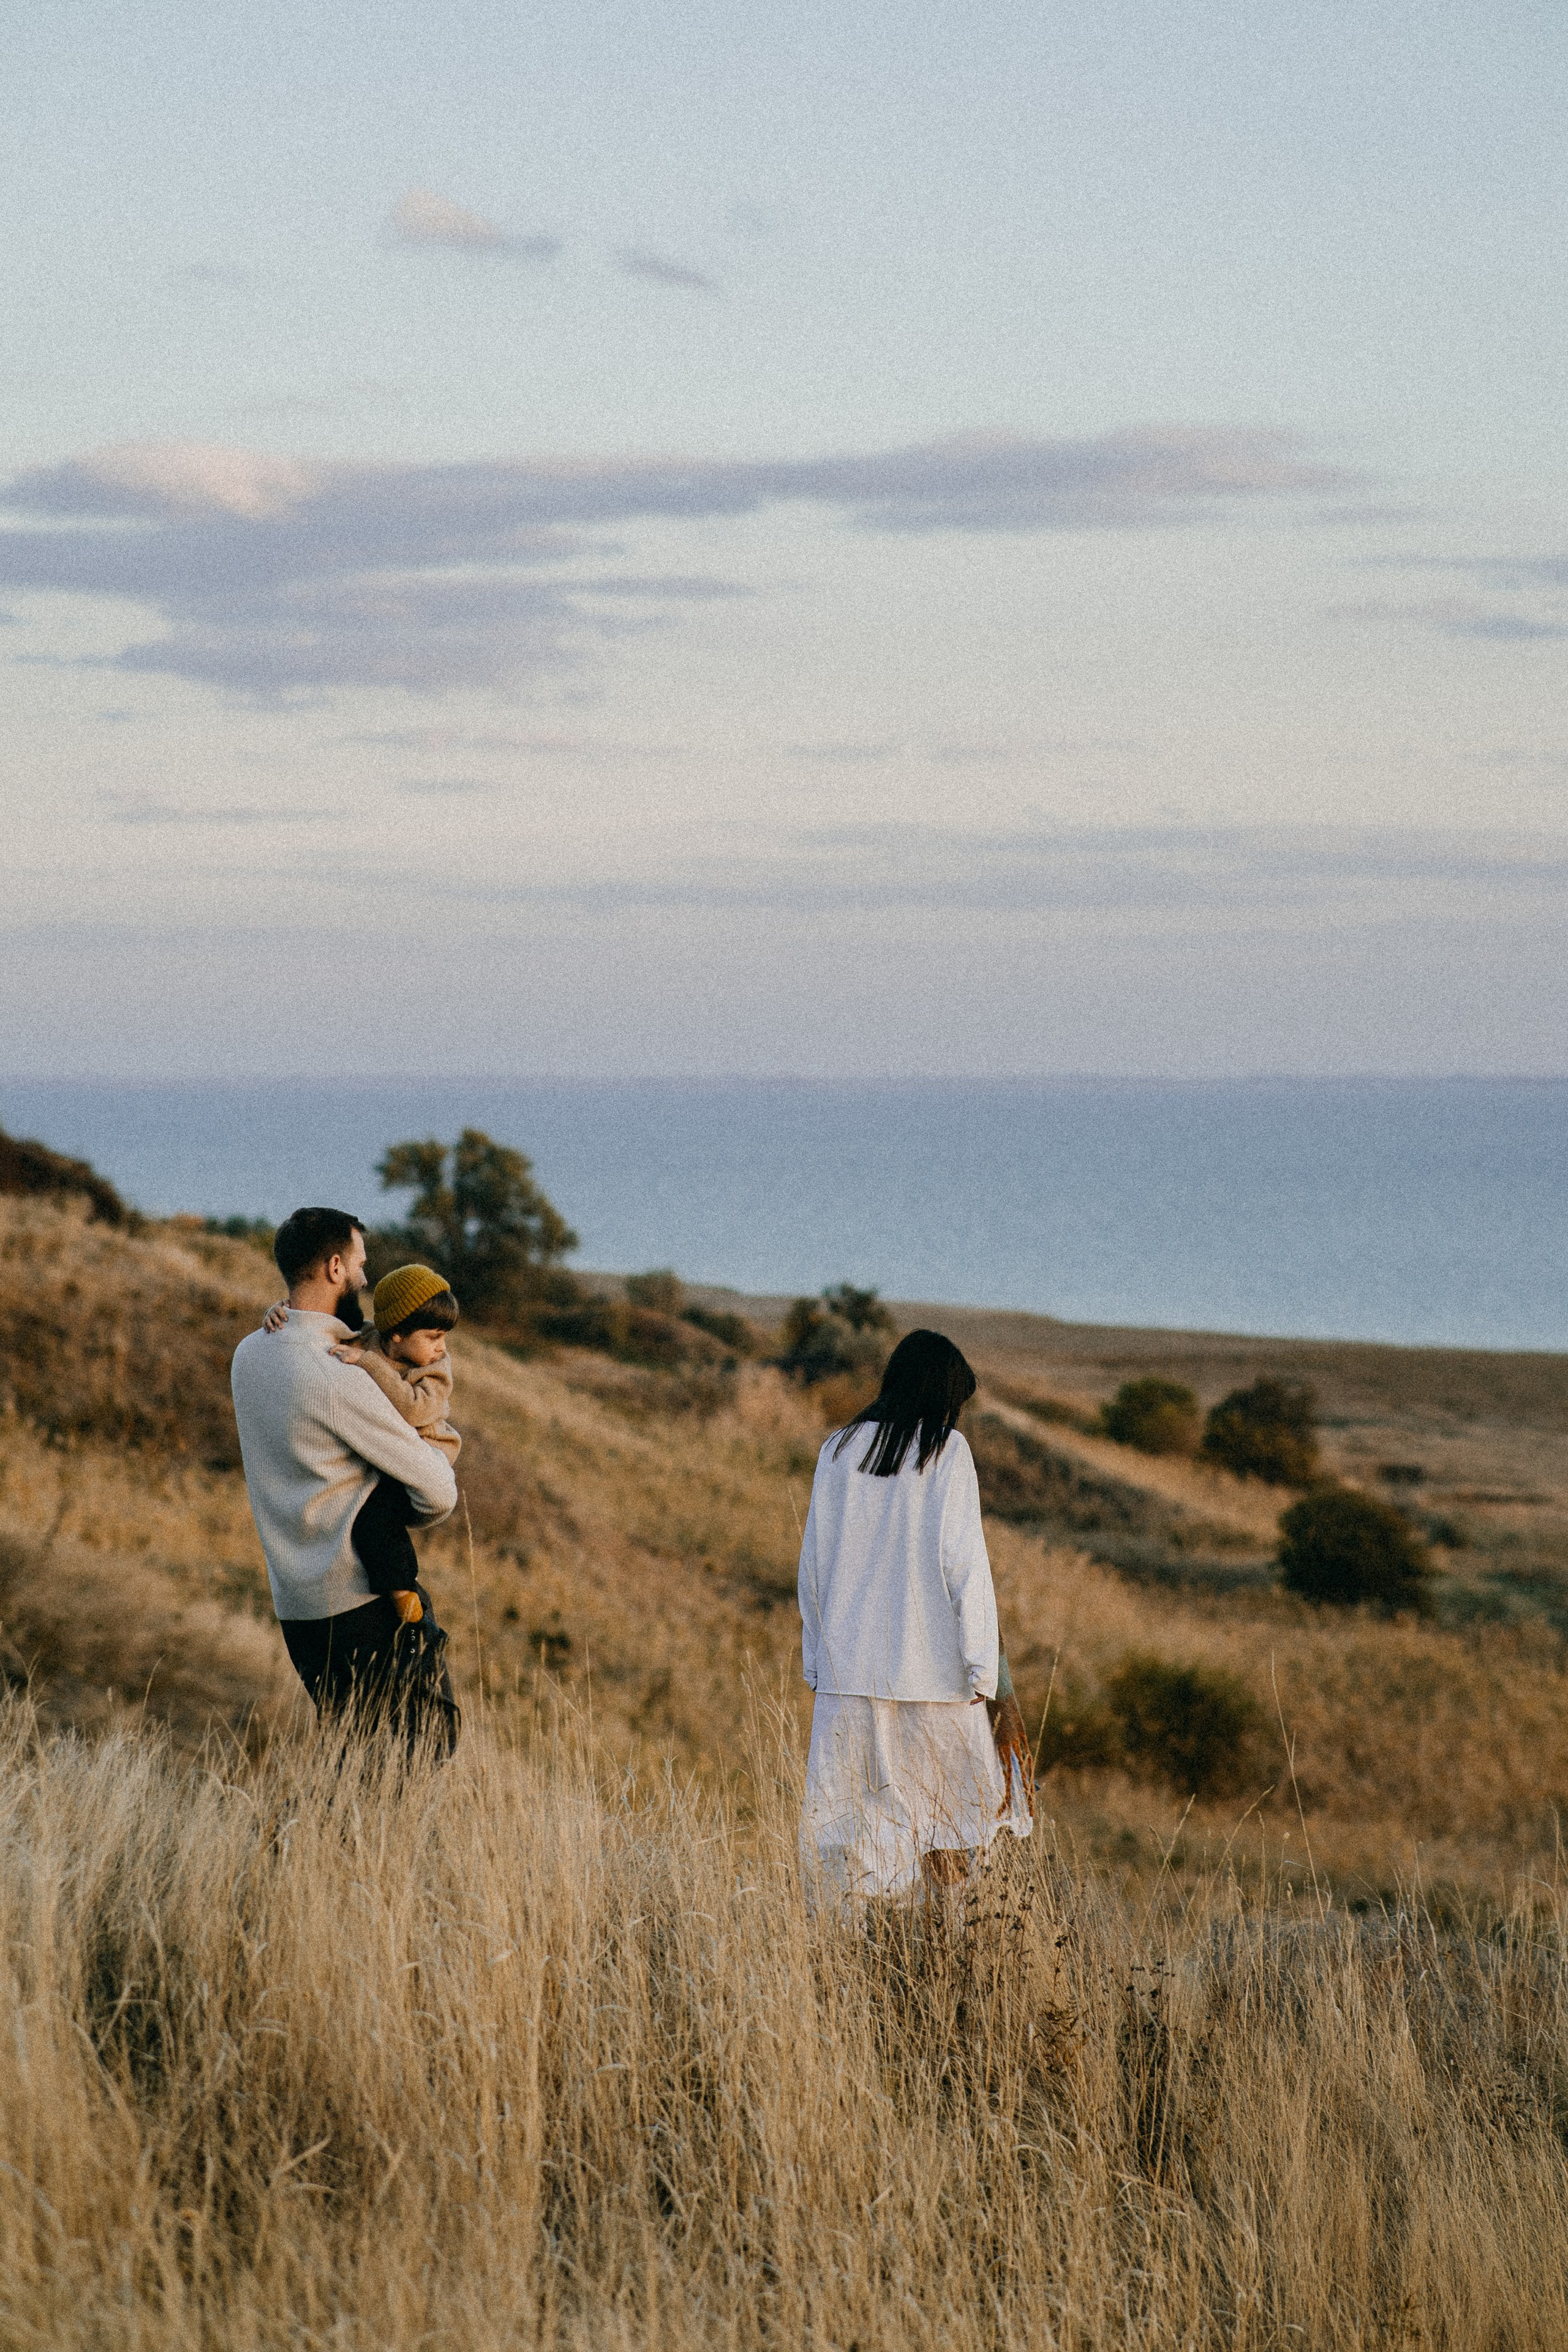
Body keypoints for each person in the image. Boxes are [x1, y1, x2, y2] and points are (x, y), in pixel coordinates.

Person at [797, 1329, 1033, 1904]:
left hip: (848, 1683)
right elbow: (967, 1569)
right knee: (951, 1832)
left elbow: (813, 1569)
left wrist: (816, 1663)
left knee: (850, 1843)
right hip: (937, 1684)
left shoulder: (837, 1450)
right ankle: (943, 1963)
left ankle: (852, 1966)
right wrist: (983, 1673)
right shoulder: (947, 1452)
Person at [232, 1207, 460, 1755]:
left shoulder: (249, 1353)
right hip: (360, 1600)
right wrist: (400, 1505)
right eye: (360, 1264)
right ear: (335, 1267)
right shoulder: (338, 1376)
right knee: (421, 1749)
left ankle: (307, 1841)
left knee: (356, 1755)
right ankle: (306, 1840)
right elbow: (439, 1491)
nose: (366, 1278)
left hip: (297, 1608)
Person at [263, 1263, 461, 1628]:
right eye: (434, 1337)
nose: (442, 1348)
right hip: (382, 1455)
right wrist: (280, 1313)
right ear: (397, 1333)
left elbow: (416, 1409)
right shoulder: (368, 1337)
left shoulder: (435, 1370)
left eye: (444, 1338)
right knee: (356, 1509)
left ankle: (402, 1590)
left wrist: (370, 1365)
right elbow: (321, 1333)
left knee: (375, 1517)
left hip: (425, 1451)